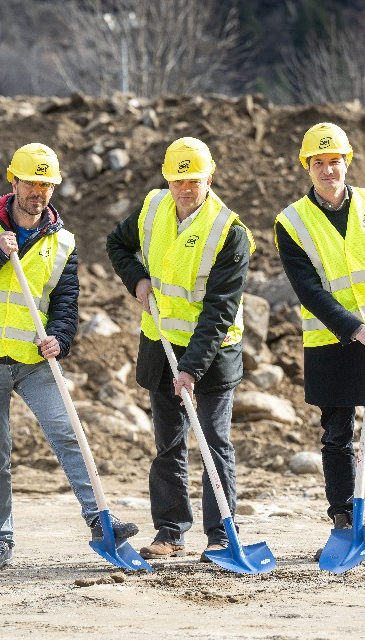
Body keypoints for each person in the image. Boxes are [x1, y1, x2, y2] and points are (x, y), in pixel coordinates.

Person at [0, 142, 138, 570]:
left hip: (34, 359)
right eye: (31, 182)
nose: (38, 192)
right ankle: (1, 540)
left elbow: (66, 303)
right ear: (13, 181)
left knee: (69, 434)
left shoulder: (63, 242)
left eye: (46, 185)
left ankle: (100, 521)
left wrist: (60, 340)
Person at [274, 123, 365, 561]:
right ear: (307, 166)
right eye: (318, 162)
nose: (327, 170)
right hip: (333, 339)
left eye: (334, 161)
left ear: (347, 162)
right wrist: (354, 329)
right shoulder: (291, 222)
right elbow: (308, 291)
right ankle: (342, 524)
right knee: (336, 436)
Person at [106, 137, 255, 562]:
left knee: (214, 443)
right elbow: (117, 244)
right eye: (177, 181)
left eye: (193, 181)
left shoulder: (230, 232)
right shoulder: (153, 207)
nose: (185, 189)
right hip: (161, 344)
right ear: (166, 179)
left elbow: (220, 311)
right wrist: (137, 278)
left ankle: (221, 535)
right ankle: (170, 532)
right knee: (168, 445)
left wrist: (191, 368)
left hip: (213, 353)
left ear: (210, 177)